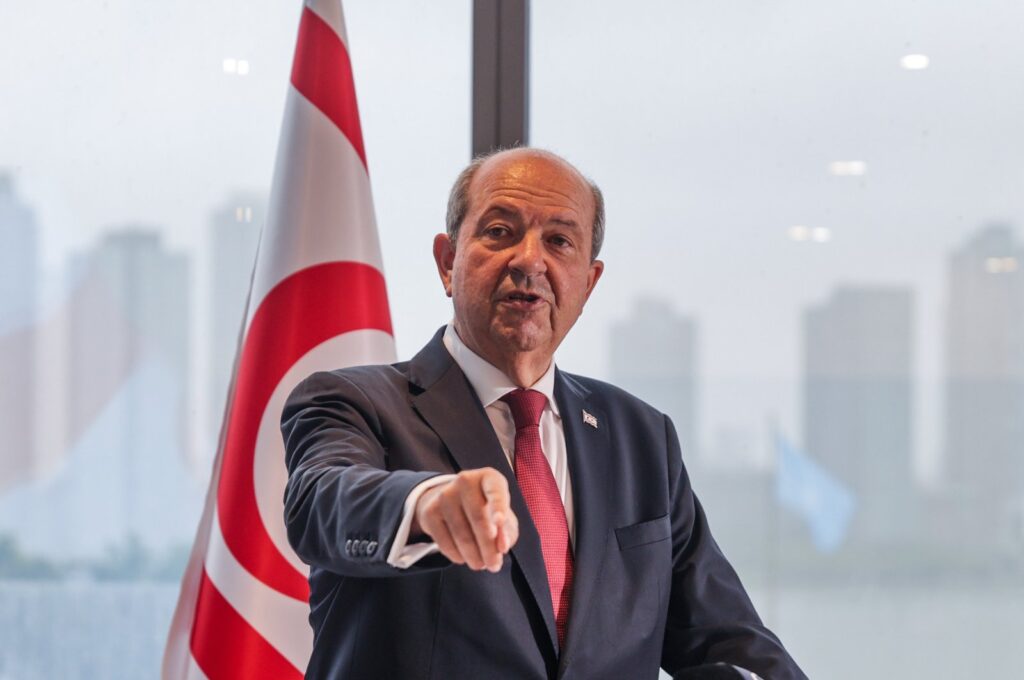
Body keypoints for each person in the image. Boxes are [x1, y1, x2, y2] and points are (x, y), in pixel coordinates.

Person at [281, 148, 807, 679]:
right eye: (500, 232)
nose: (529, 260)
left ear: (588, 282)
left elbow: (725, 640)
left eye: (559, 241)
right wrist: (424, 505)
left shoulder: (643, 438)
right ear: (447, 262)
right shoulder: (351, 401)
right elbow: (320, 500)